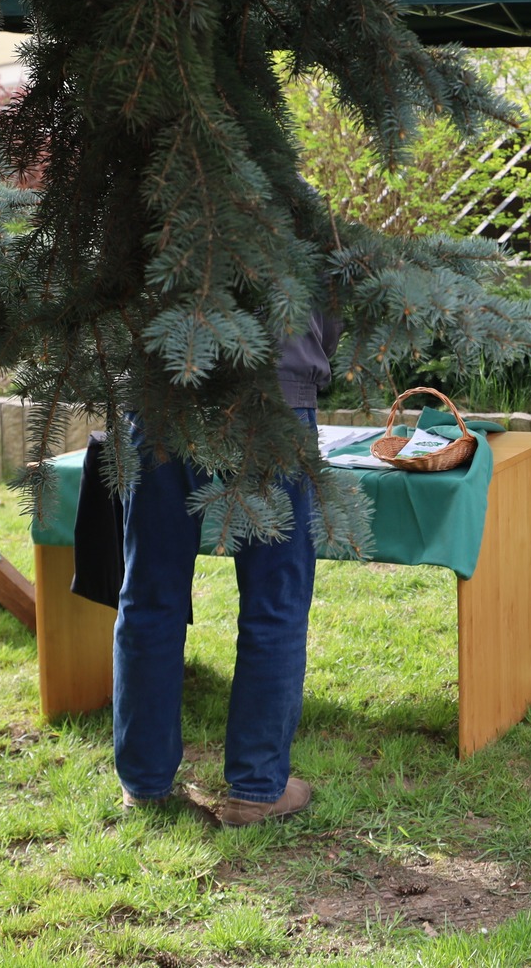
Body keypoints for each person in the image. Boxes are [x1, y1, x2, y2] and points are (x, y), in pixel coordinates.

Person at [112, 311, 341, 825]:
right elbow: (328, 294)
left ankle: (144, 785)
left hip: (160, 389)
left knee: (149, 594)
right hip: (273, 395)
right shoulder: (299, 225)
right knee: (274, 601)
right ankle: (257, 792)